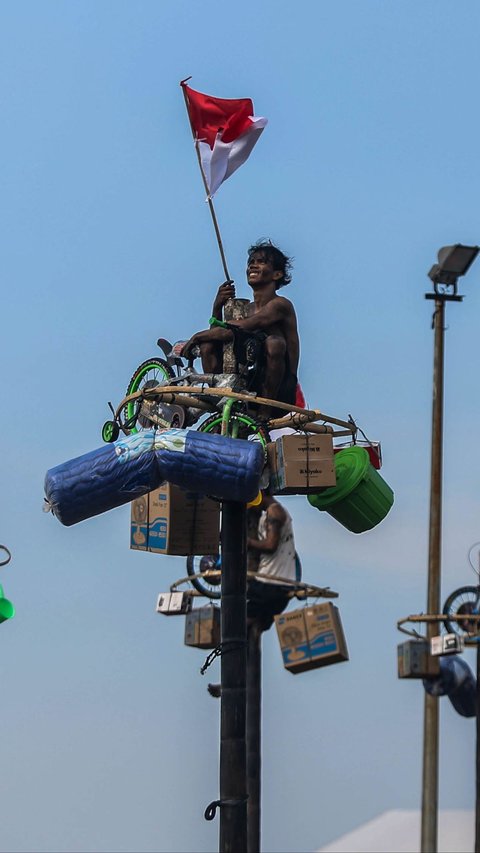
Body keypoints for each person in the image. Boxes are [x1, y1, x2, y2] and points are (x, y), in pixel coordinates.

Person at [181, 241, 303, 415]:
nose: (253, 265)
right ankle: (220, 399)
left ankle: (264, 413)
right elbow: (223, 333)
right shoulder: (247, 309)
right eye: (251, 262)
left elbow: (247, 325)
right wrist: (217, 306)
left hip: (279, 391)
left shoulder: (281, 305)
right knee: (210, 344)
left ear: (277, 274)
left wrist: (197, 336)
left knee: (274, 343)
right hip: (250, 383)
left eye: (261, 262)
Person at [207, 491, 299, 697]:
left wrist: (243, 542)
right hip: (278, 587)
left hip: (269, 584)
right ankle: (237, 681)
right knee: (250, 632)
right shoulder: (272, 513)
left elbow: (270, 545)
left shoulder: (275, 512)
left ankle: (231, 680)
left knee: (234, 624)